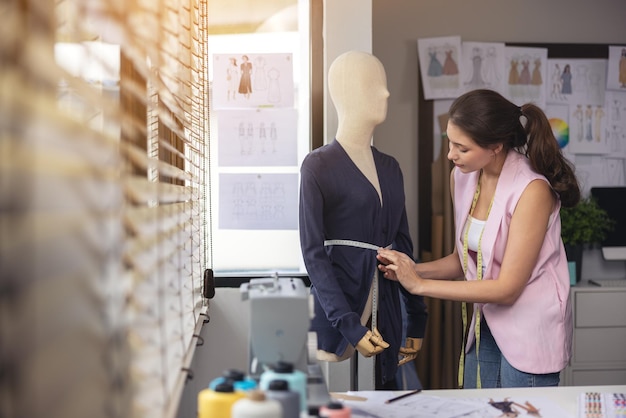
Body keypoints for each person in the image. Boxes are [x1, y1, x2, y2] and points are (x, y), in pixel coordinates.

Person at [377, 88, 580, 389]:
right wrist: (409, 268)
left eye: (462, 147)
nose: (450, 155)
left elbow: (508, 289)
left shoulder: (532, 190)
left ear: (496, 145)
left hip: (530, 330)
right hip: (486, 322)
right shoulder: (463, 177)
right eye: (450, 142)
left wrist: (419, 285)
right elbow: (464, 260)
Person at [299, 51, 428, 390]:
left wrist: (416, 319)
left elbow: (404, 248)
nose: (386, 94)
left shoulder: (390, 167)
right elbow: (313, 254)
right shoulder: (318, 165)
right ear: (345, 92)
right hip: (337, 307)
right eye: (375, 85)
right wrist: (349, 325)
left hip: (385, 307)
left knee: (385, 400)